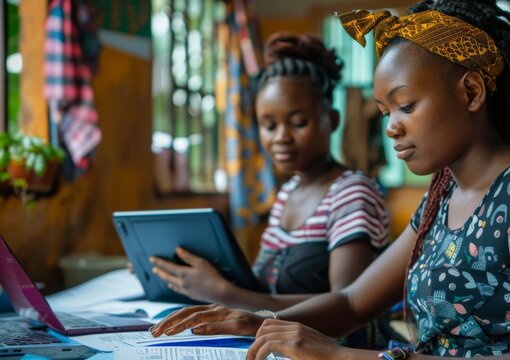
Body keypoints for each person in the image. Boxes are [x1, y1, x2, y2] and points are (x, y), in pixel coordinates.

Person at [150, 1, 510, 359]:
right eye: (386, 112)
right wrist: (257, 320)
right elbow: (352, 302)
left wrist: (342, 356)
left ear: (471, 91)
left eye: (406, 106)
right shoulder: (443, 196)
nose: (391, 127)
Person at [149, 31, 395, 348]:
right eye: (269, 125)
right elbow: (265, 290)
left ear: (330, 120)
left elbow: (346, 305)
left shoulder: (352, 193)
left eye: (297, 122)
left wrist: (224, 293)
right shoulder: (288, 192)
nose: (281, 137)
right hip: (279, 346)